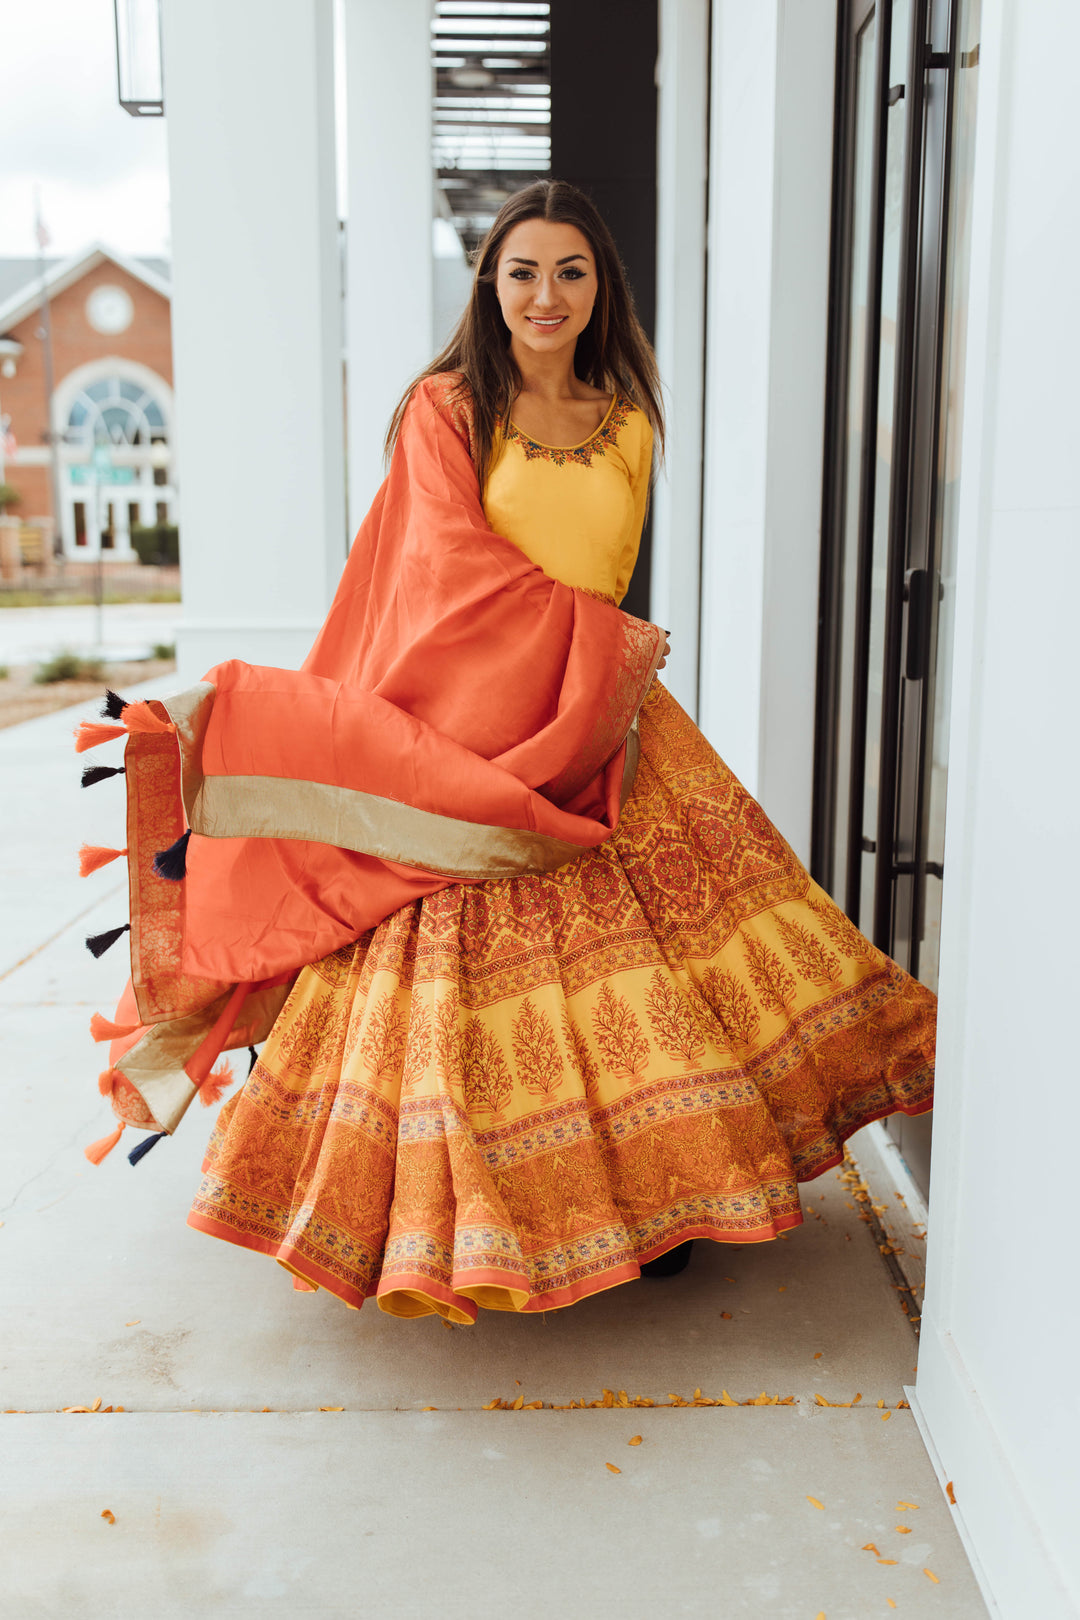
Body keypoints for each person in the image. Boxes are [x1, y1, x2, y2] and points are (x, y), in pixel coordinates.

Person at [77, 181, 935, 1324]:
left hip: (609, 731)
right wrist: (581, 661)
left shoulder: (630, 415)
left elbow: (609, 567)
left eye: (571, 272)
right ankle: (460, 1223)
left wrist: (597, 680)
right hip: (470, 739)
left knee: (662, 975)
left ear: (602, 291)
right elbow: (444, 567)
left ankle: (662, 1197)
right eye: (522, 271)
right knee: (458, 1006)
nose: (546, 295)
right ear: (490, 285)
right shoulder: (447, 406)